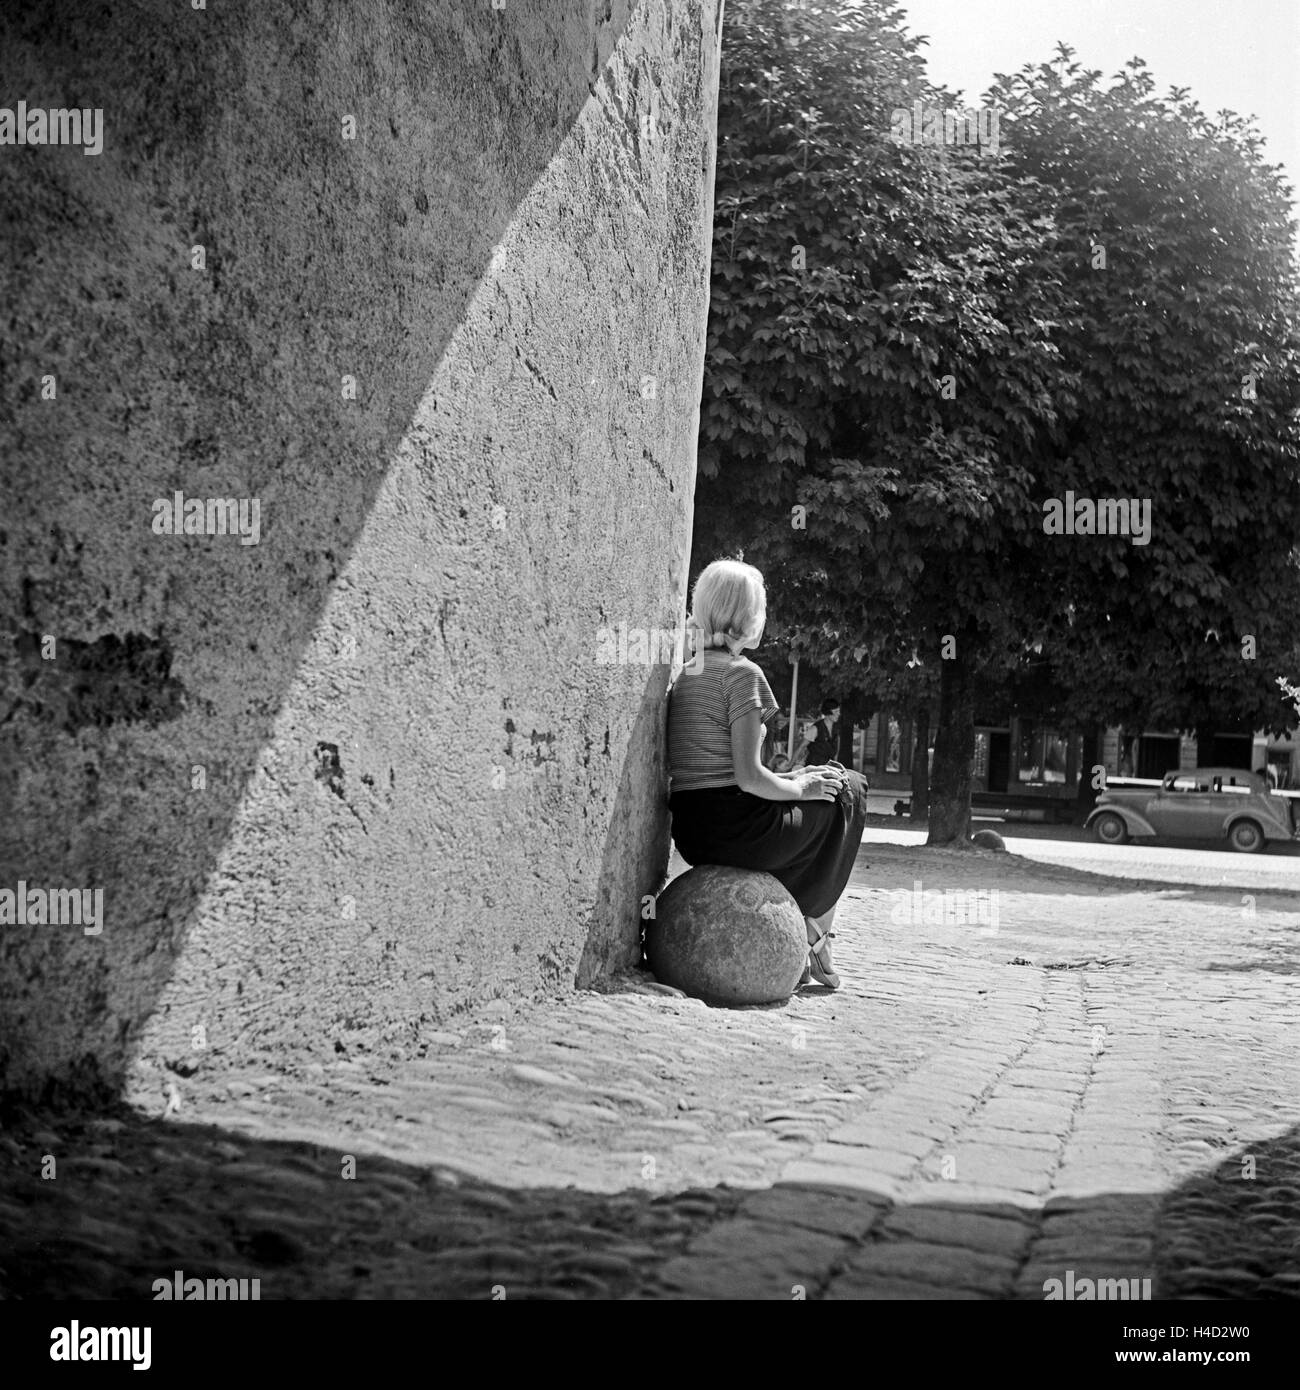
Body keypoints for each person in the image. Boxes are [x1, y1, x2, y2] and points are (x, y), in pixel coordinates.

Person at [665, 559, 870, 989]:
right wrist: (804, 784)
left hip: (693, 830)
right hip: (736, 827)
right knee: (848, 788)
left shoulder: (687, 674)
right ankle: (816, 933)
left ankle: (808, 928)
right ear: (747, 618)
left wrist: (801, 779)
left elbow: (727, 768)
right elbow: (748, 778)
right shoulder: (743, 675)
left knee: (823, 785)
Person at [807, 699, 840, 767]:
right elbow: (801, 747)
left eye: (839, 711)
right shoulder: (815, 728)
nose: (838, 714)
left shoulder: (837, 729)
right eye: (836, 711)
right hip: (814, 768)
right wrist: (790, 764)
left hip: (828, 768)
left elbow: (836, 753)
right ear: (828, 712)